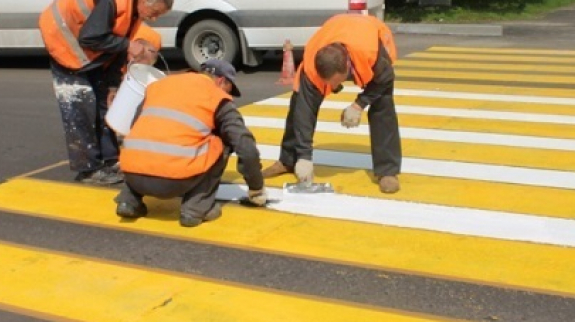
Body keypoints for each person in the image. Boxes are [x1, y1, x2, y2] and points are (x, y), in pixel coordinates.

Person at [39, 0, 174, 185]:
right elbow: (90, 37)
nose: (154, 19)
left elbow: (116, 48)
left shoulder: (133, 11)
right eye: (154, 13)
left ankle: (110, 160)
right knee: (80, 106)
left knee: (106, 104)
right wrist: (127, 45)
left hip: (89, 51)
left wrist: (112, 86)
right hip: (64, 40)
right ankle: (88, 169)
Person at [115, 59, 267, 227]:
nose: (229, 96)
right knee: (223, 141)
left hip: (131, 173)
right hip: (174, 182)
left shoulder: (159, 85)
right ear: (221, 81)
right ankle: (195, 209)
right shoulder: (216, 95)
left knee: (146, 137)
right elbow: (245, 146)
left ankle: (128, 201)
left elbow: (134, 126)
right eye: (229, 89)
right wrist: (256, 188)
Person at [262, 14, 402, 194]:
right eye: (327, 83)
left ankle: (387, 171)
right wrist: (305, 157)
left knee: (383, 103)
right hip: (337, 32)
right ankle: (289, 159)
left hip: (370, 36)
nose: (332, 88)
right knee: (298, 102)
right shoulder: (312, 63)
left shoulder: (372, 53)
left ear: (346, 69)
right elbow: (305, 111)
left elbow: (386, 79)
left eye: (335, 82)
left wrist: (358, 104)